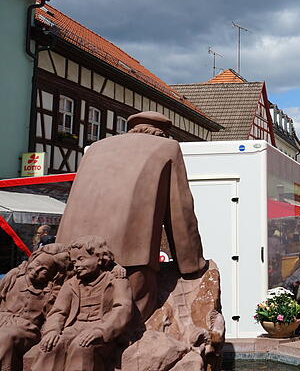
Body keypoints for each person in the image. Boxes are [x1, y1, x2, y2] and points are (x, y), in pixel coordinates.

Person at [54, 111, 207, 322]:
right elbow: (180, 211)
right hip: (130, 259)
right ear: (162, 133)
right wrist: (191, 264)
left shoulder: (96, 148)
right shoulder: (167, 148)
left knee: (69, 320)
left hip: (72, 256)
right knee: (129, 322)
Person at [34, 236, 133, 370]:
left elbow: (122, 308)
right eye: (74, 262)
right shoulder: (71, 284)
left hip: (101, 328)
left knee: (81, 347)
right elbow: (58, 312)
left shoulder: (115, 280)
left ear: (99, 258)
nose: (77, 265)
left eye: (81, 259)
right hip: (73, 328)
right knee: (51, 346)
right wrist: (52, 331)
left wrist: (101, 330)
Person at [0, 244, 69, 371]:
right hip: (2, 320)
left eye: (44, 270)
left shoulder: (51, 292)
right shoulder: (14, 276)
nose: (36, 270)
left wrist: (51, 296)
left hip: (28, 328)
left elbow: (53, 315)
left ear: (53, 275)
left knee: (5, 337)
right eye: (37, 263)